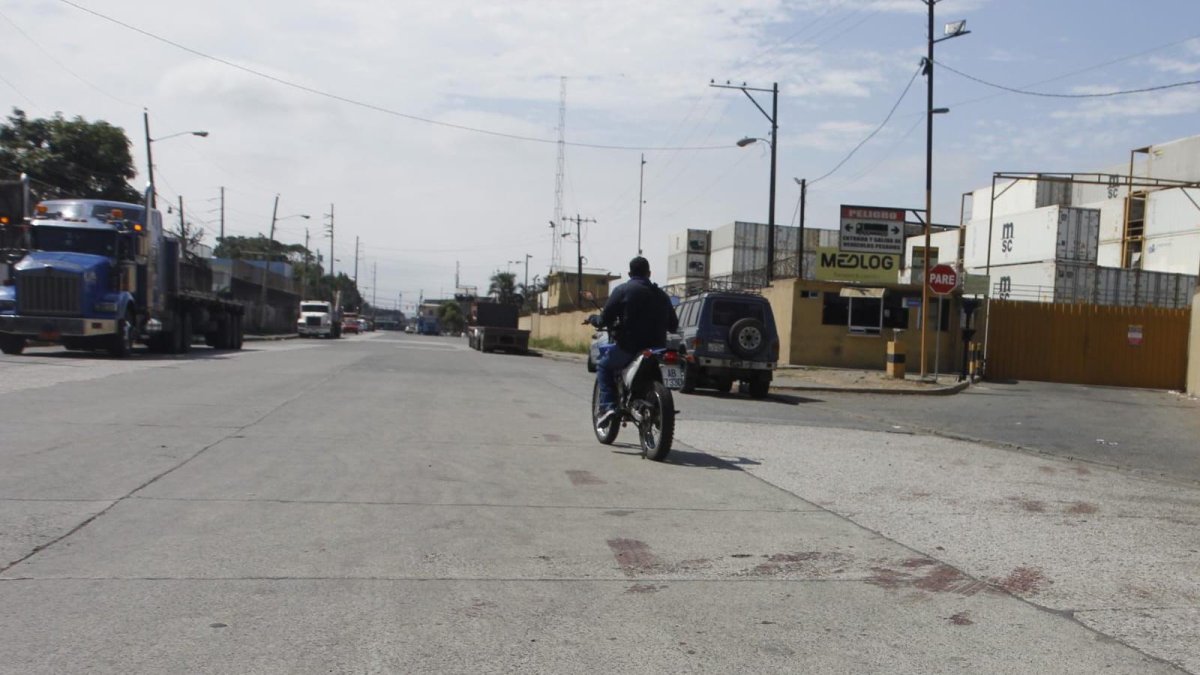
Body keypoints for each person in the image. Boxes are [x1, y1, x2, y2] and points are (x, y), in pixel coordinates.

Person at [595, 256, 679, 426]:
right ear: (649, 273)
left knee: (603, 365)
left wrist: (593, 319)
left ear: (629, 273)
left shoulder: (623, 290)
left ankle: (608, 406)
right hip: (657, 349)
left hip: (629, 347)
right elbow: (673, 326)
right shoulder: (662, 295)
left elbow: (604, 318)